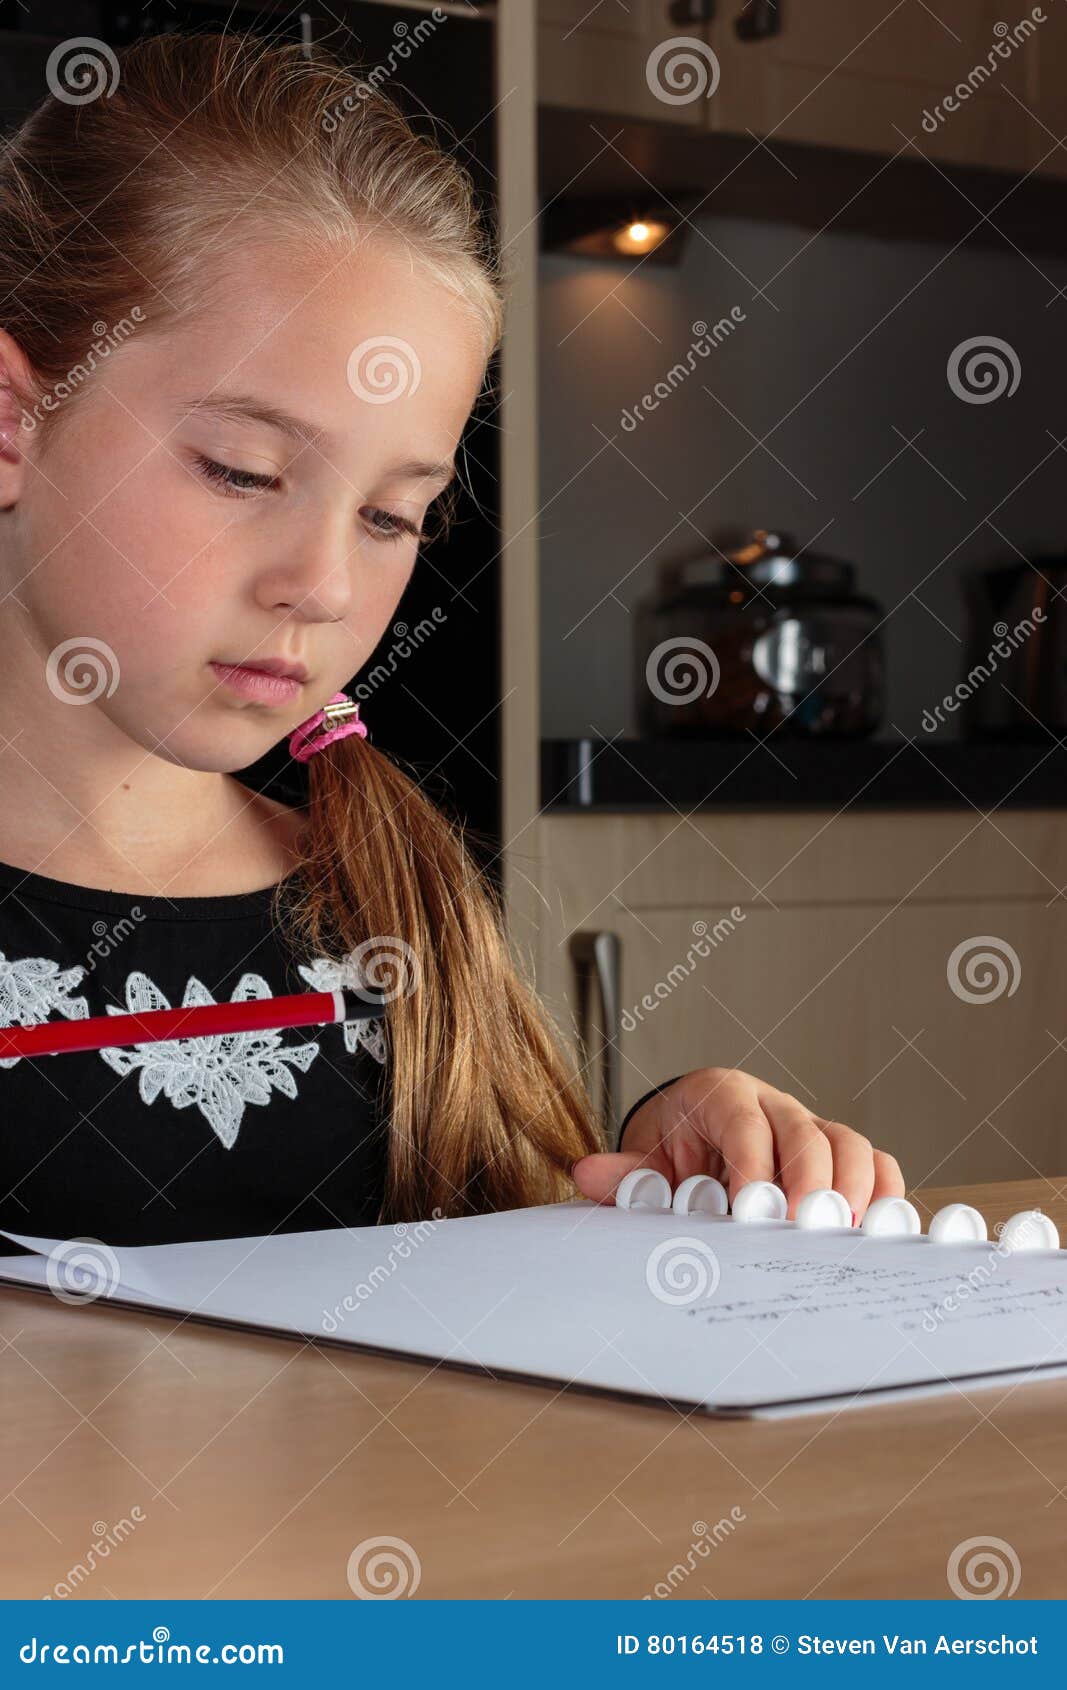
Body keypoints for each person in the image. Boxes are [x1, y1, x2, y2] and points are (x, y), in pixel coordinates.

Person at [0, 31, 905, 1246]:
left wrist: (651, 1171)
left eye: (391, 516)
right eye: (240, 470)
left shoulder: (395, 913)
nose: (322, 585)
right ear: (15, 419)